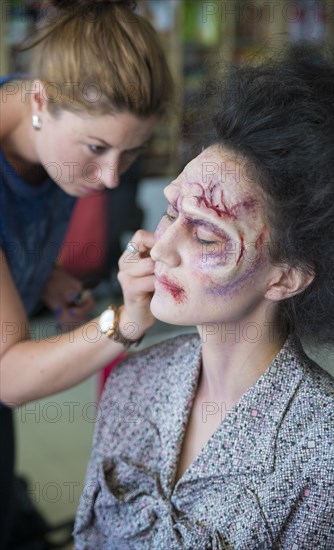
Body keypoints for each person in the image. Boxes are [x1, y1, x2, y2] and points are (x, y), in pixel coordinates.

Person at [74, 48, 334, 549]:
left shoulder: (330, 456)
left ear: (287, 277)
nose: (161, 249)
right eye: (171, 213)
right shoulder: (132, 383)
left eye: (206, 236)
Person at [0, 0, 173, 545]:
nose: (109, 176)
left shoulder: (50, 136)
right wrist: (125, 319)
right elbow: (9, 375)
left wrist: (43, 276)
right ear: (41, 101)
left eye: (130, 152)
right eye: (96, 148)